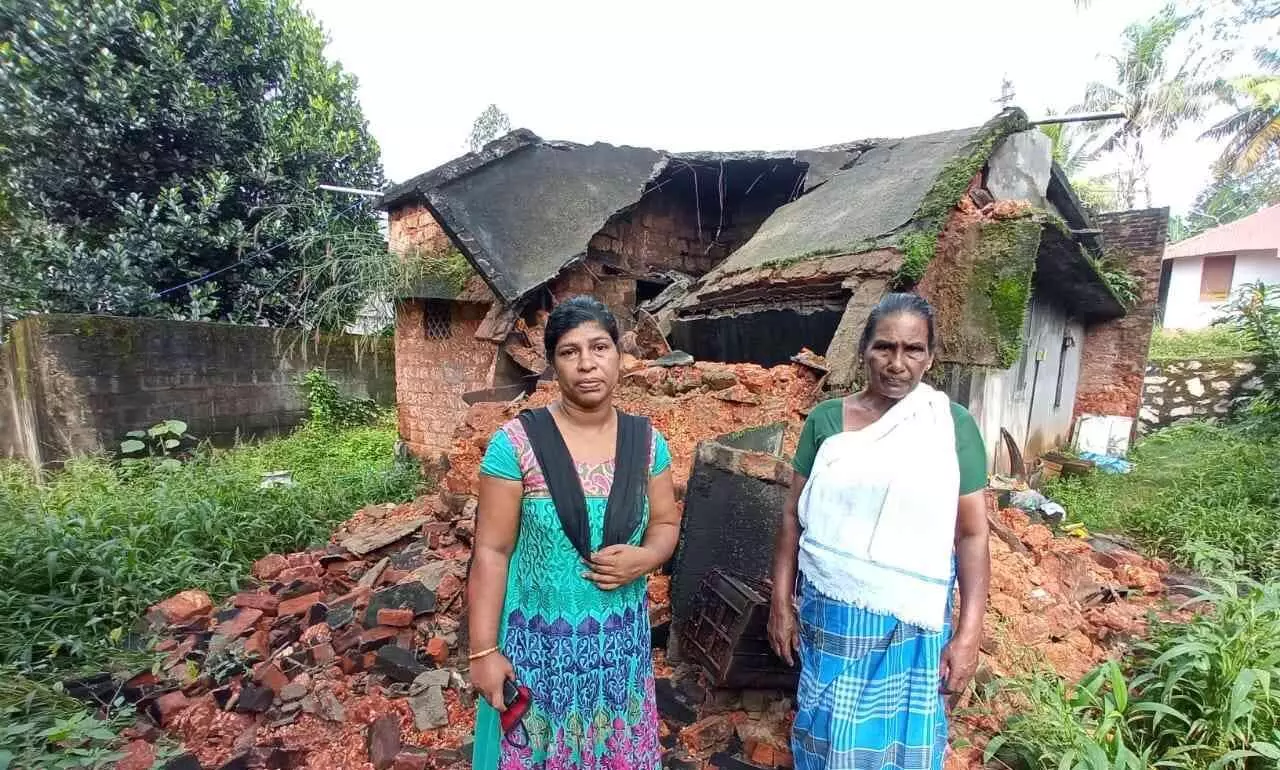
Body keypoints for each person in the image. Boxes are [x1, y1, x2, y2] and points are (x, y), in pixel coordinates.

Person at [768, 293, 990, 770]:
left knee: (901, 748)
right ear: (863, 350)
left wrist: (969, 635)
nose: (897, 363)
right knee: (826, 737)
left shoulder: (951, 427)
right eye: (884, 347)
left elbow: (971, 535)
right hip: (831, 619)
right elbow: (792, 515)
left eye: (913, 350)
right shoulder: (827, 421)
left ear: (930, 356)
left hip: (913, 629)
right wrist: (780, 604)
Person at [468, 296, 680, 770]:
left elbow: (666, 523)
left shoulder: (647, 443)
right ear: (553, 364)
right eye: (569, 352)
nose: (587, 364)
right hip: (538, 655)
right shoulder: (517, 445)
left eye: (599, 347)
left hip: (619, 655)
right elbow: (492, 551)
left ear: (619, 356)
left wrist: (646, 558)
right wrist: (483, 651)